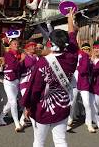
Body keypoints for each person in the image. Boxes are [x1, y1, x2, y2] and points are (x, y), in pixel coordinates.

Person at [22, 9, 78, 147]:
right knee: (60, 141)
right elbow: (72, 36)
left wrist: (28, 106)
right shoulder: (72, 57)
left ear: (50, 42)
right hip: (63, 105)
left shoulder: (44, 62)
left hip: (43, 108)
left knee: (39, 142)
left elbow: (35, 88)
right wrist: (70, 19)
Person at [67, 43, 95, 132]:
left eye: (88, 49)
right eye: (84, 49)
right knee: (72, 103)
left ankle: (89, 123)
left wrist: (79, 66)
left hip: (84, 84)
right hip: (74, 83)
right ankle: (69, 120)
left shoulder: (88, 58)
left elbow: (84, 70)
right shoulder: (75, 55)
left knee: (87, 103)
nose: (86, 50)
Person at [0, 38, 25, 132]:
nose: (16, 45)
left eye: (17, 44)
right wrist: (21, 60)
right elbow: (14, 65)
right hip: (8, 81)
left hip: (16, 80)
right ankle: (17, 123)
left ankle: (1, 118)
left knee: (10, 102)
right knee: (13, 101)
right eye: (14, 44)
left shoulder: (19, 54)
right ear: (10, 45)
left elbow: (21, 68)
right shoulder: (8, 54)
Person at [19, 41, 38, 127]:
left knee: (31, 101)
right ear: (27, 48)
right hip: (24, 81)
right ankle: (34, 122)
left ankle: (22, 119)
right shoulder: (24, 56)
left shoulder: (36, 57)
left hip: (32, 81)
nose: (34, 48)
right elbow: (24, 65)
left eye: (34, 46)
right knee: (27, 101)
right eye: (32, 46)